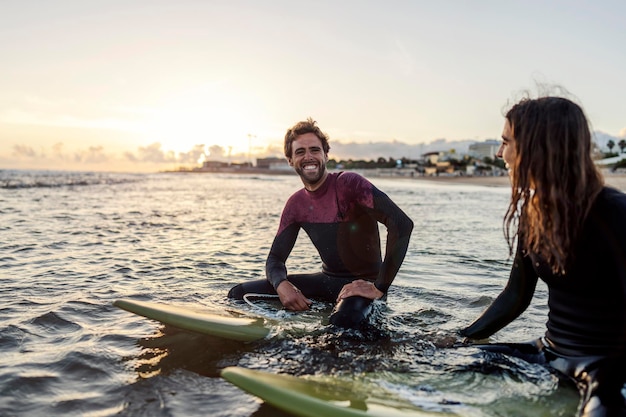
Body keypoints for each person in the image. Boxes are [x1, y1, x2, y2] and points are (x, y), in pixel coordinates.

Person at [459, 96, 626, 416]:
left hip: (606, 365)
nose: (498, 153)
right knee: (445, 361)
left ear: (537, 147)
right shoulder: (534, 213)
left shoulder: (613, 213)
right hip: (548, 353)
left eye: (506, 142)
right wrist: (462, 337)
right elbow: (515, 295)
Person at [228, 118, 413, 329]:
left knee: (343, 322)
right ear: (290, 160)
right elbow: (275, 259)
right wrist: (282, 285)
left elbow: (401, 224)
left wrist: (379, 287)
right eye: (300, 152)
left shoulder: (349, 184)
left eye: (315, 150)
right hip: (326, 282)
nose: (308, 157)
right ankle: (272, 341)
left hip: (363, 286)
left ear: (326, 154)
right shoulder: (296, 204)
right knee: (239, 294)